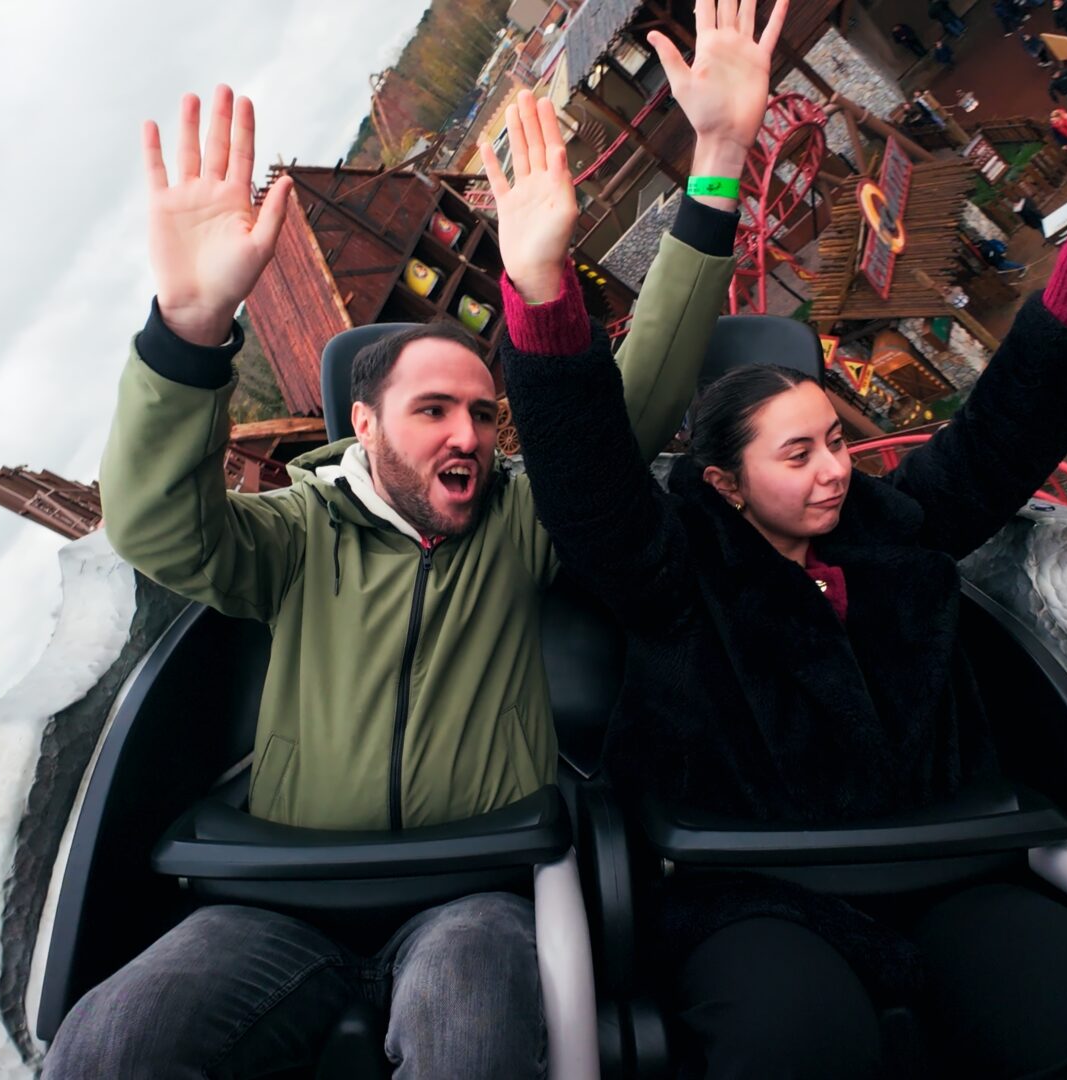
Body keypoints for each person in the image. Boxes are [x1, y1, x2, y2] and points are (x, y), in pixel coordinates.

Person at [41, 4, 792, 1076]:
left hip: (472, 891)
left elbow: (621, 421)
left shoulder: (520, 519)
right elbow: (160, 527)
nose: (469, 435)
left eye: (485, 414)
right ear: (361, 424)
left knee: (472, 1030)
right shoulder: (294, 538)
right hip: (282, 902)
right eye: (435, 410)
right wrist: (191, 326)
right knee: (110, 1041)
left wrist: (719, 158)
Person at [498, 64, 1067, 1080]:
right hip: (755, 892)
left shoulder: (895, 526)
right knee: (798, 1047)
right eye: (798, 456)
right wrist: (539, 291)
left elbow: (1013, 423)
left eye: (835, 440)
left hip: (945, 867)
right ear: (726, 485)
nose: (836, 469)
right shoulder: (677, 571)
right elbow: (587, 478)